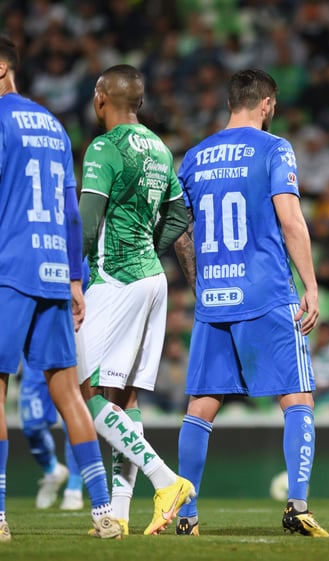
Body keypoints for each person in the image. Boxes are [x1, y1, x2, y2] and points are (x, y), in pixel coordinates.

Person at [173, 69, 329, 538]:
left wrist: (199, 284)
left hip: (214, 296)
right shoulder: (274, 147)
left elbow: (181, 232)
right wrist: (312, 284)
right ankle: (298, 505)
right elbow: (291, 220)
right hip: (264, 292)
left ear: (230, 102)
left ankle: (186, 514)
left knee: (201, 404)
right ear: (266, 104)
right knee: (297, 397)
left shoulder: (195, 157)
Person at [0, 35, 121, 540]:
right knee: (69, 393)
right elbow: (72, 211)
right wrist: (75, 276)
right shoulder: (50, 124)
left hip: (8, 268)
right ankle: (103, 514)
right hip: (53, 270)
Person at [77, 64, 195, 536]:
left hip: (115, 279)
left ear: (101, 97)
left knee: (81, 393)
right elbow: (180, 213)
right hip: (152, 279)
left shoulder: (104, 147)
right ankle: (120, 515)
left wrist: (70, 276)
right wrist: (148, 242)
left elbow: (88, 222)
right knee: (123, 397)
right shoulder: (160, 149)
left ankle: (165, 480)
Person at [19, 362, 84, 510]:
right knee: (32, 427)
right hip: (34, 361)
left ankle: (74, 487)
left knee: (73, 420)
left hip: (66, 354)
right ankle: (52, 470)